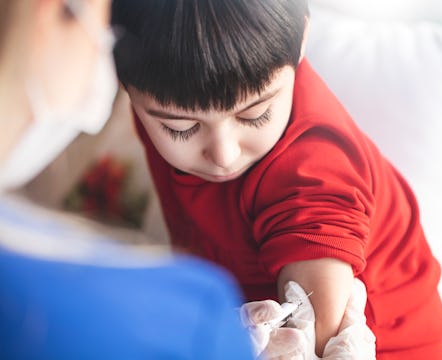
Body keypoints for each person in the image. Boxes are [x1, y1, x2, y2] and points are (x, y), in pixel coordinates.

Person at [111, 0, 442, 358]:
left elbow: (317, 340)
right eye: (182, 127)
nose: (224, 155)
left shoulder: (314, 176)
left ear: (303, 40)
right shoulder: (155, 79)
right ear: (123, 80)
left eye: (255, 115)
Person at [0, 0, 254, 358]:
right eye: (107, 16)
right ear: (54, 11)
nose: (225, 157)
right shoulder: (182, 322)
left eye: (254, 115)